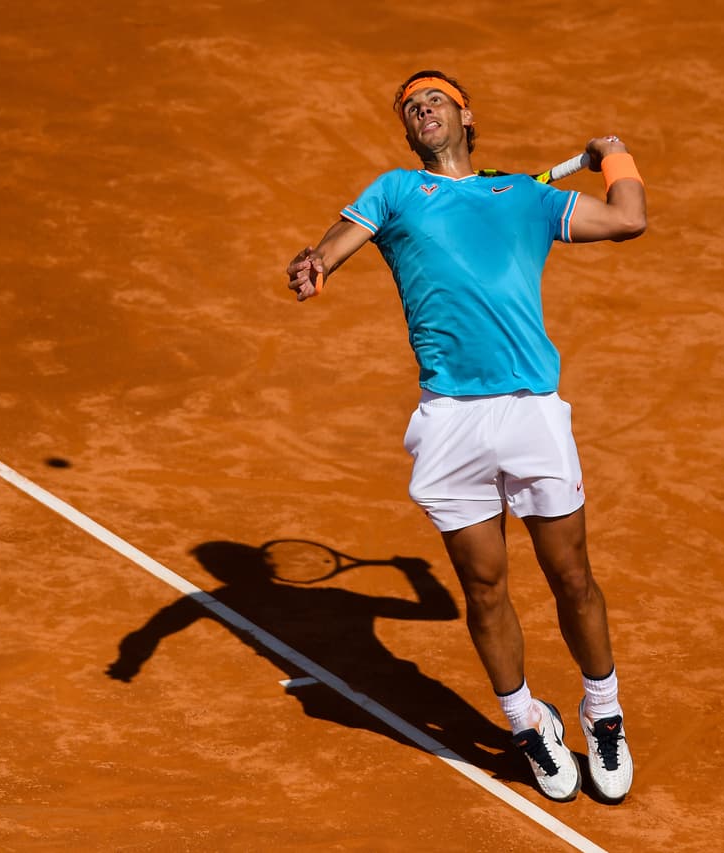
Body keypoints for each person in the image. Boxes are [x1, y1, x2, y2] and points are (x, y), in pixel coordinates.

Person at [285, 69, 647, 803]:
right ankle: (525, 724)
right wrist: (316, 260)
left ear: (465, 115)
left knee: (570, 574)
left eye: (435, 99)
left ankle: (602, 712)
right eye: (410, 106)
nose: (422, 109)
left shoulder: (525, 196)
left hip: (530, 412)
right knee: (483, 589)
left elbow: (627, 219)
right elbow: (337, 241)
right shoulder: (395, 193)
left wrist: (615, 156)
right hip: (450, 422)